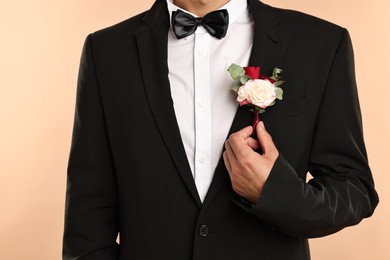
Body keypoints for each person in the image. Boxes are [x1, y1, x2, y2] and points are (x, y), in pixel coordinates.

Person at [63, 0, 379, 259]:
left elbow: (354, 187)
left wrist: (275, 192)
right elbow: (87, 221)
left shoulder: (321, 44)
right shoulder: (106, 51)